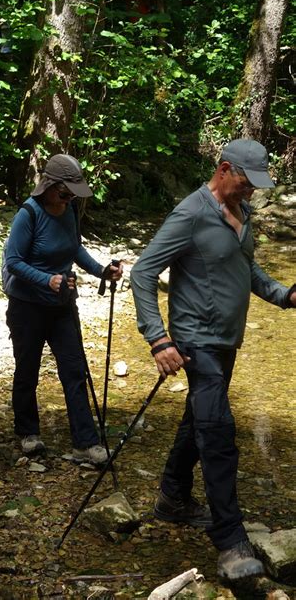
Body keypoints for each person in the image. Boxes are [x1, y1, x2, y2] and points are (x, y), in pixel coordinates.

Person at [130, 139, 296, 580]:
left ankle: (173, 497)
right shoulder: (191, 214)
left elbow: (246, 268)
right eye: (246, 182)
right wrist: (158, 340)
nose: (252, 191)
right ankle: (229, 540)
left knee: (199, 422)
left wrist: (285, 294)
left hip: (226, 344)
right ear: (224, 169)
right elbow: (143, 271)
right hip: (195, 344)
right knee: (219, 435)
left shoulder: (242, 215)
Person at [4, 154, 123, 465]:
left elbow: (75, 247)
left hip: (61, 306)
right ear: (49, 186)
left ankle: (85, 442)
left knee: (74, 370)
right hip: (27, 307)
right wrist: (47, 279)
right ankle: (28, 433)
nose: (69, 198)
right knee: (27, 370)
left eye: (73, 194)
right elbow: (13, 262)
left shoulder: (68, 210)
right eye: (65, 192)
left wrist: (101, 271)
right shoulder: (28, 214)